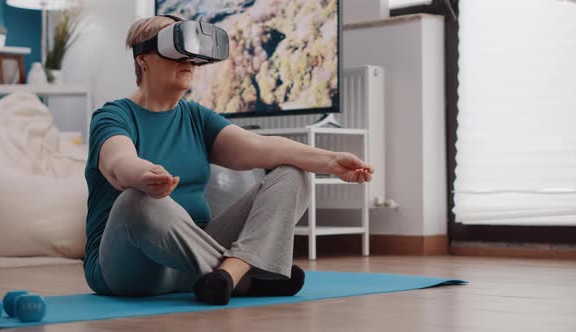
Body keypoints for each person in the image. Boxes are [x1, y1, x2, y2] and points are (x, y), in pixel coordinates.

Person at [83, 15, 374, 305]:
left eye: (192, 52)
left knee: (293, 174)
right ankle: (248, 276)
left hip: (195, 270)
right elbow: (118, 162)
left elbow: (261, 146)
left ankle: (229, 275)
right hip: (130, 269)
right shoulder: (113, 115)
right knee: (137, 201)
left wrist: (332, 160)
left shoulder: (196, 117)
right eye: (175, 49)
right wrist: (144, 175)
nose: (188, 60)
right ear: (143, 59)